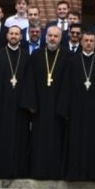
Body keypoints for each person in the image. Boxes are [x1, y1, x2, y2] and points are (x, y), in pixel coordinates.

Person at [62, 32, 95, 181]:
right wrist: (66, 109)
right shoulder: (72, 61)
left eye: (91, 41)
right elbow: (66, 86)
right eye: (85, 40)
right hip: (76, 110)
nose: (88, 43)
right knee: (76, 143)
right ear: (81, 42)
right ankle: (75, 174)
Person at [0, 25, 33, 180]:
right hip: (1, 106)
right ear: (7, 36)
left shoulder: (25, 56)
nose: (14, 36)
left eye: (17, 34)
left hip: (20, 107)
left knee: (20, 138)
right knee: (0, 138)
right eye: (11, 33)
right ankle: (0, 170)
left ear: (21, 37)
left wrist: (28, 104)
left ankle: (18, 170)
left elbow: (30, 82)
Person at [22, 25, 68, 179]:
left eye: (56, 36)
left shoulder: (67, 56)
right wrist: (31, 103)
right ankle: (38, 171)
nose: (52, 39)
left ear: (60, 38)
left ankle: (56, 173)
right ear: (45, 37)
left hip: (58, 107)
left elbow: (70, 84)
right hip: (40, 107)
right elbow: (29, 80)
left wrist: (64, 106)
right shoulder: (36, 55)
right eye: (50, 36)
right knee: (39, 139)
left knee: (57, 139)